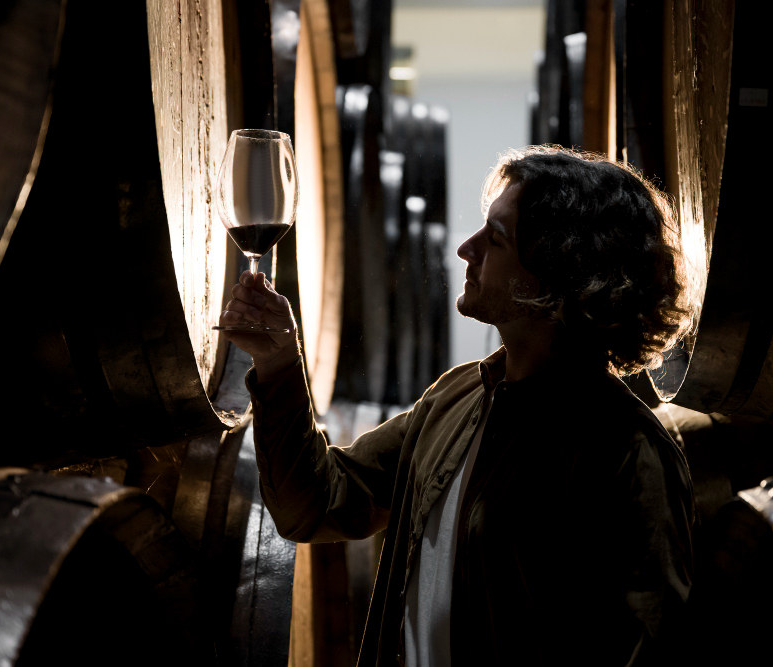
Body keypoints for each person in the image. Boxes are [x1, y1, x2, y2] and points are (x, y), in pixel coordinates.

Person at [221, 146, 696, 666]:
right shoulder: (458, 397)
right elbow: (312, 506)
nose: (466, 248)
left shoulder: (628, 451)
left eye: (496, 239)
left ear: (558, 277)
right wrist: (279, 364)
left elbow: (648, 646)